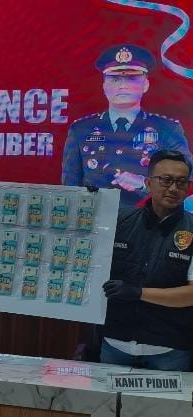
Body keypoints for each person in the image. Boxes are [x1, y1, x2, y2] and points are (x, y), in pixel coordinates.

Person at [61, 44, 190, 208]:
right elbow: (70, 188)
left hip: (147, 220)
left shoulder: (167, 129)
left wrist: (144, 184)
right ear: (104, 85)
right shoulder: (80, 130)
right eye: (115, 79)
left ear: (146, 85)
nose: (122, 85)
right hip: (95, 219)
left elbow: (185, 181)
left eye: (132, 78)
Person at [101, 149, 193, 371]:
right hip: (115, 344)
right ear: (148, 183)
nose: (174, 188)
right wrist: (89, 202)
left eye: (181, 182)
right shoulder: (120, 221)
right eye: (166, 180)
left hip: (169, 351)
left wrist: (138, 293)